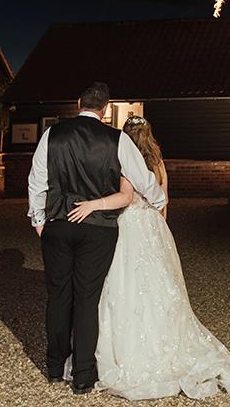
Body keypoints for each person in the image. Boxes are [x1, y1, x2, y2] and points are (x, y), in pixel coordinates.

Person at [67, 115, 230, 400]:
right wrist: (159, 234)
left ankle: (122, 351)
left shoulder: (125, 163)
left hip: (129, 226)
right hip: (153, 227)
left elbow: (125, 197)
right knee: (161, 288)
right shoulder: (158, 164)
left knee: (123, 286)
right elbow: (163, 202)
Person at [27, 83, 166, 395]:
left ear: (79, 103)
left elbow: (37, 180)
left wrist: (39, 220)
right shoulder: (116, 139)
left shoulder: (53, 135)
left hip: (58, 224)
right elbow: (142, 178)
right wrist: (157, 203)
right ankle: (82, 376)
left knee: (59, 295)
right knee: (87, 299)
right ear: (105, 109)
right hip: (98, 229)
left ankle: (53, 367)